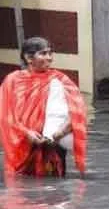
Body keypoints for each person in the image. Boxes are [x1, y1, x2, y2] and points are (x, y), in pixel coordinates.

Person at [0, 37, 88, 177]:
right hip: (22, 146)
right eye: (43, 53)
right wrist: (27, 133)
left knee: (54, 193)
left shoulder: (60, 80)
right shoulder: (12, 81)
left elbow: (78, 113)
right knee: (23, 191)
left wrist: (61, 132)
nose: (49, 58)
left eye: (50, 53)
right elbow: (5, 115)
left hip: (53, 145)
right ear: (29, 58)